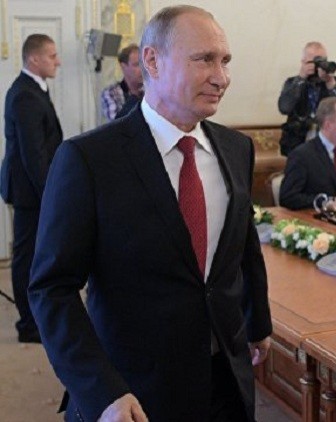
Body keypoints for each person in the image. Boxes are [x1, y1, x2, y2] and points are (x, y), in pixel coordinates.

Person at [28, 6, 272, 421]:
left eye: (225, 60)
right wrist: (101, 391)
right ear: (152, 61)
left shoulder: (236, 149)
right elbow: (52, 289)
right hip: (134, 392)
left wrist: (258, 321)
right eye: (205, 59)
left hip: (226, 380)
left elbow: (243, 245)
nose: (222, 77)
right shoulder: (88, 159)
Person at [0, 34, 62, 344]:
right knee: (25, 256)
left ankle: (36, 315)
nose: (58, 62)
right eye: (52, 56)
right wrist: (51, 192)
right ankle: (28, 324)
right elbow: (33, 154)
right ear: (34, 59)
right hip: (29, 191)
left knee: (35, 253)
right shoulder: (25, 95)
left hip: (33, 188)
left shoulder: (34, 88)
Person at [279, 97, 336, 210]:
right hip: (315, 218)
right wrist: (326, 202)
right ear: (328, 125)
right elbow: (288, 197)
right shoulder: (302, 155)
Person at [278, 41, 336, 156]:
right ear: (303, 62)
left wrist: (330, 83)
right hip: (297, 143)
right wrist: (301, 78)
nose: (318, 66)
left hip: (328, 143)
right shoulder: (292, 82)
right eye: (314, 62)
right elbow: (284, 108)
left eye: (322, 61)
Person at [100, 43, 143, 121]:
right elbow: (116, 123)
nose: (142, 69)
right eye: (136, 65)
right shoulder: (111, 93)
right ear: (123, 67)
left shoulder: (152, 90)